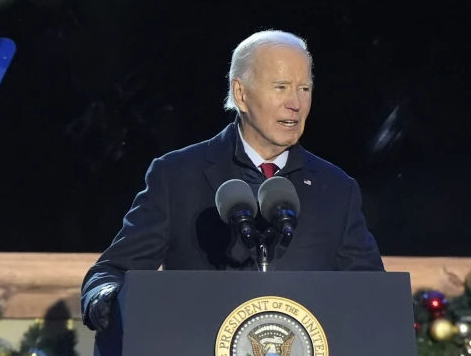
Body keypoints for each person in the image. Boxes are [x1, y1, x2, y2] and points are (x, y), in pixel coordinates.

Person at [80, 30, 383, 331]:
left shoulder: (337, 190)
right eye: (281, 87)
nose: (296, 103)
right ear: (241, 94)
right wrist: (104, 297)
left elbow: (374, 296)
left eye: (304, 88)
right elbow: (111, 272)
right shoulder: (176, 176)